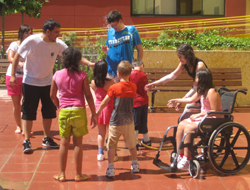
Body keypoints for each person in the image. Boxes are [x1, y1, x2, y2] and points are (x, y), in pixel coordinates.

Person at [10, 19, 95, 154]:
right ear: (47, 31)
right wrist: (13, 75)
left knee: (48, 111)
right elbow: (16, 57)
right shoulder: (32, 41)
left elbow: (73, 57)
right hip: (30, 81)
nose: (58, 35)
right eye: (56, 32)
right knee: (28, 112)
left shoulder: (58, 44)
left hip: (47, 82)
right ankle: (27, 140)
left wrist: (90, 63)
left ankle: (46, 138)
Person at [50, 47, 97, 182]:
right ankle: (78, 174)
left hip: (64, 111)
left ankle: (62, 174)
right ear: (78, 61)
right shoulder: (82, 75)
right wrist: (94, 114)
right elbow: (88, 96)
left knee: (64, 143)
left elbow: (52, 96)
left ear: (64, 60)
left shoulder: (57, 74)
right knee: (78, 144)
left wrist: (60, 106)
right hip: (79, 111)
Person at [167, 68, 222, 169]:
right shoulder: (202, 90)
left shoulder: (211, 92)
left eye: (196, 77)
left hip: (212, 118)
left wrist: (198, 115)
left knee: (188, 128)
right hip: (204, 117)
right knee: (181, 125)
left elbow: (214, 111)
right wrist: (176, 100)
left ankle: (187, 158)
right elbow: (191, 99)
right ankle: (180, 154)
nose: (195, 78)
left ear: (202, 79)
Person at [96, 60, 139, 177]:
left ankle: (111, 168)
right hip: (129, 121)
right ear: (130, 73)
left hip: (115, 121)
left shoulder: (114, 87)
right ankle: (135, 164)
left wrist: (98, 111)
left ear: (118, 73)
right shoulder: (134, 87)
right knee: (131, 144)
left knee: (111, 145)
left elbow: (105, 101)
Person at [145, 44, 207, 111]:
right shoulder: (184, 64)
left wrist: (182, 100)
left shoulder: (199, 66)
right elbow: (171, 76)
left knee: (188, 111)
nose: (179, 59)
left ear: (188, 55)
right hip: (198, 92)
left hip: (205, 93)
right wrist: (154, 84)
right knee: (187, 111)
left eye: (180, 57)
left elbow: (195, 88)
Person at [102, 10, 143, 82]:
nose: (113, 27)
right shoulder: (110, 32)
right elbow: (109, 49)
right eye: (111, 26)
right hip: (112, 71)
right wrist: (106, 51)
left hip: (126, 71)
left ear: (120, 21)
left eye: (114, 25)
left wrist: (138, 65)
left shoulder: (131, 30)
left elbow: (140, 49)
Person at [5, 24, 32, 134]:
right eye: (26, 33)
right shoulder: (14, 45)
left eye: (30, 33)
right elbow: (10, 58)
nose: (28, 35)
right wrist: (19, 62)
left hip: (27, 78)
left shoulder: (31, 45)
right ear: (21, 33)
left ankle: (26, 128)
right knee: (16, 105)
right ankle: (18, 126)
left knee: (26, 103)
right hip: (14, 77)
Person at [90, 60, 116, 161]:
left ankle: (100, 153)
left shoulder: (93, 82)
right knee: (111, 132)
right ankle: (113, 152)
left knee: (100, 133)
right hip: (110, 108)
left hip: (98, 109)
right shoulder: (110, 82)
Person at [129, 58, 150, 147]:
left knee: (135, 122)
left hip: (135, 102)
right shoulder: (144, 75)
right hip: (144, 101)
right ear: (142, 66)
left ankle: (134, 141)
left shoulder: (130, 75)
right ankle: (147, 140)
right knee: (143, 121)